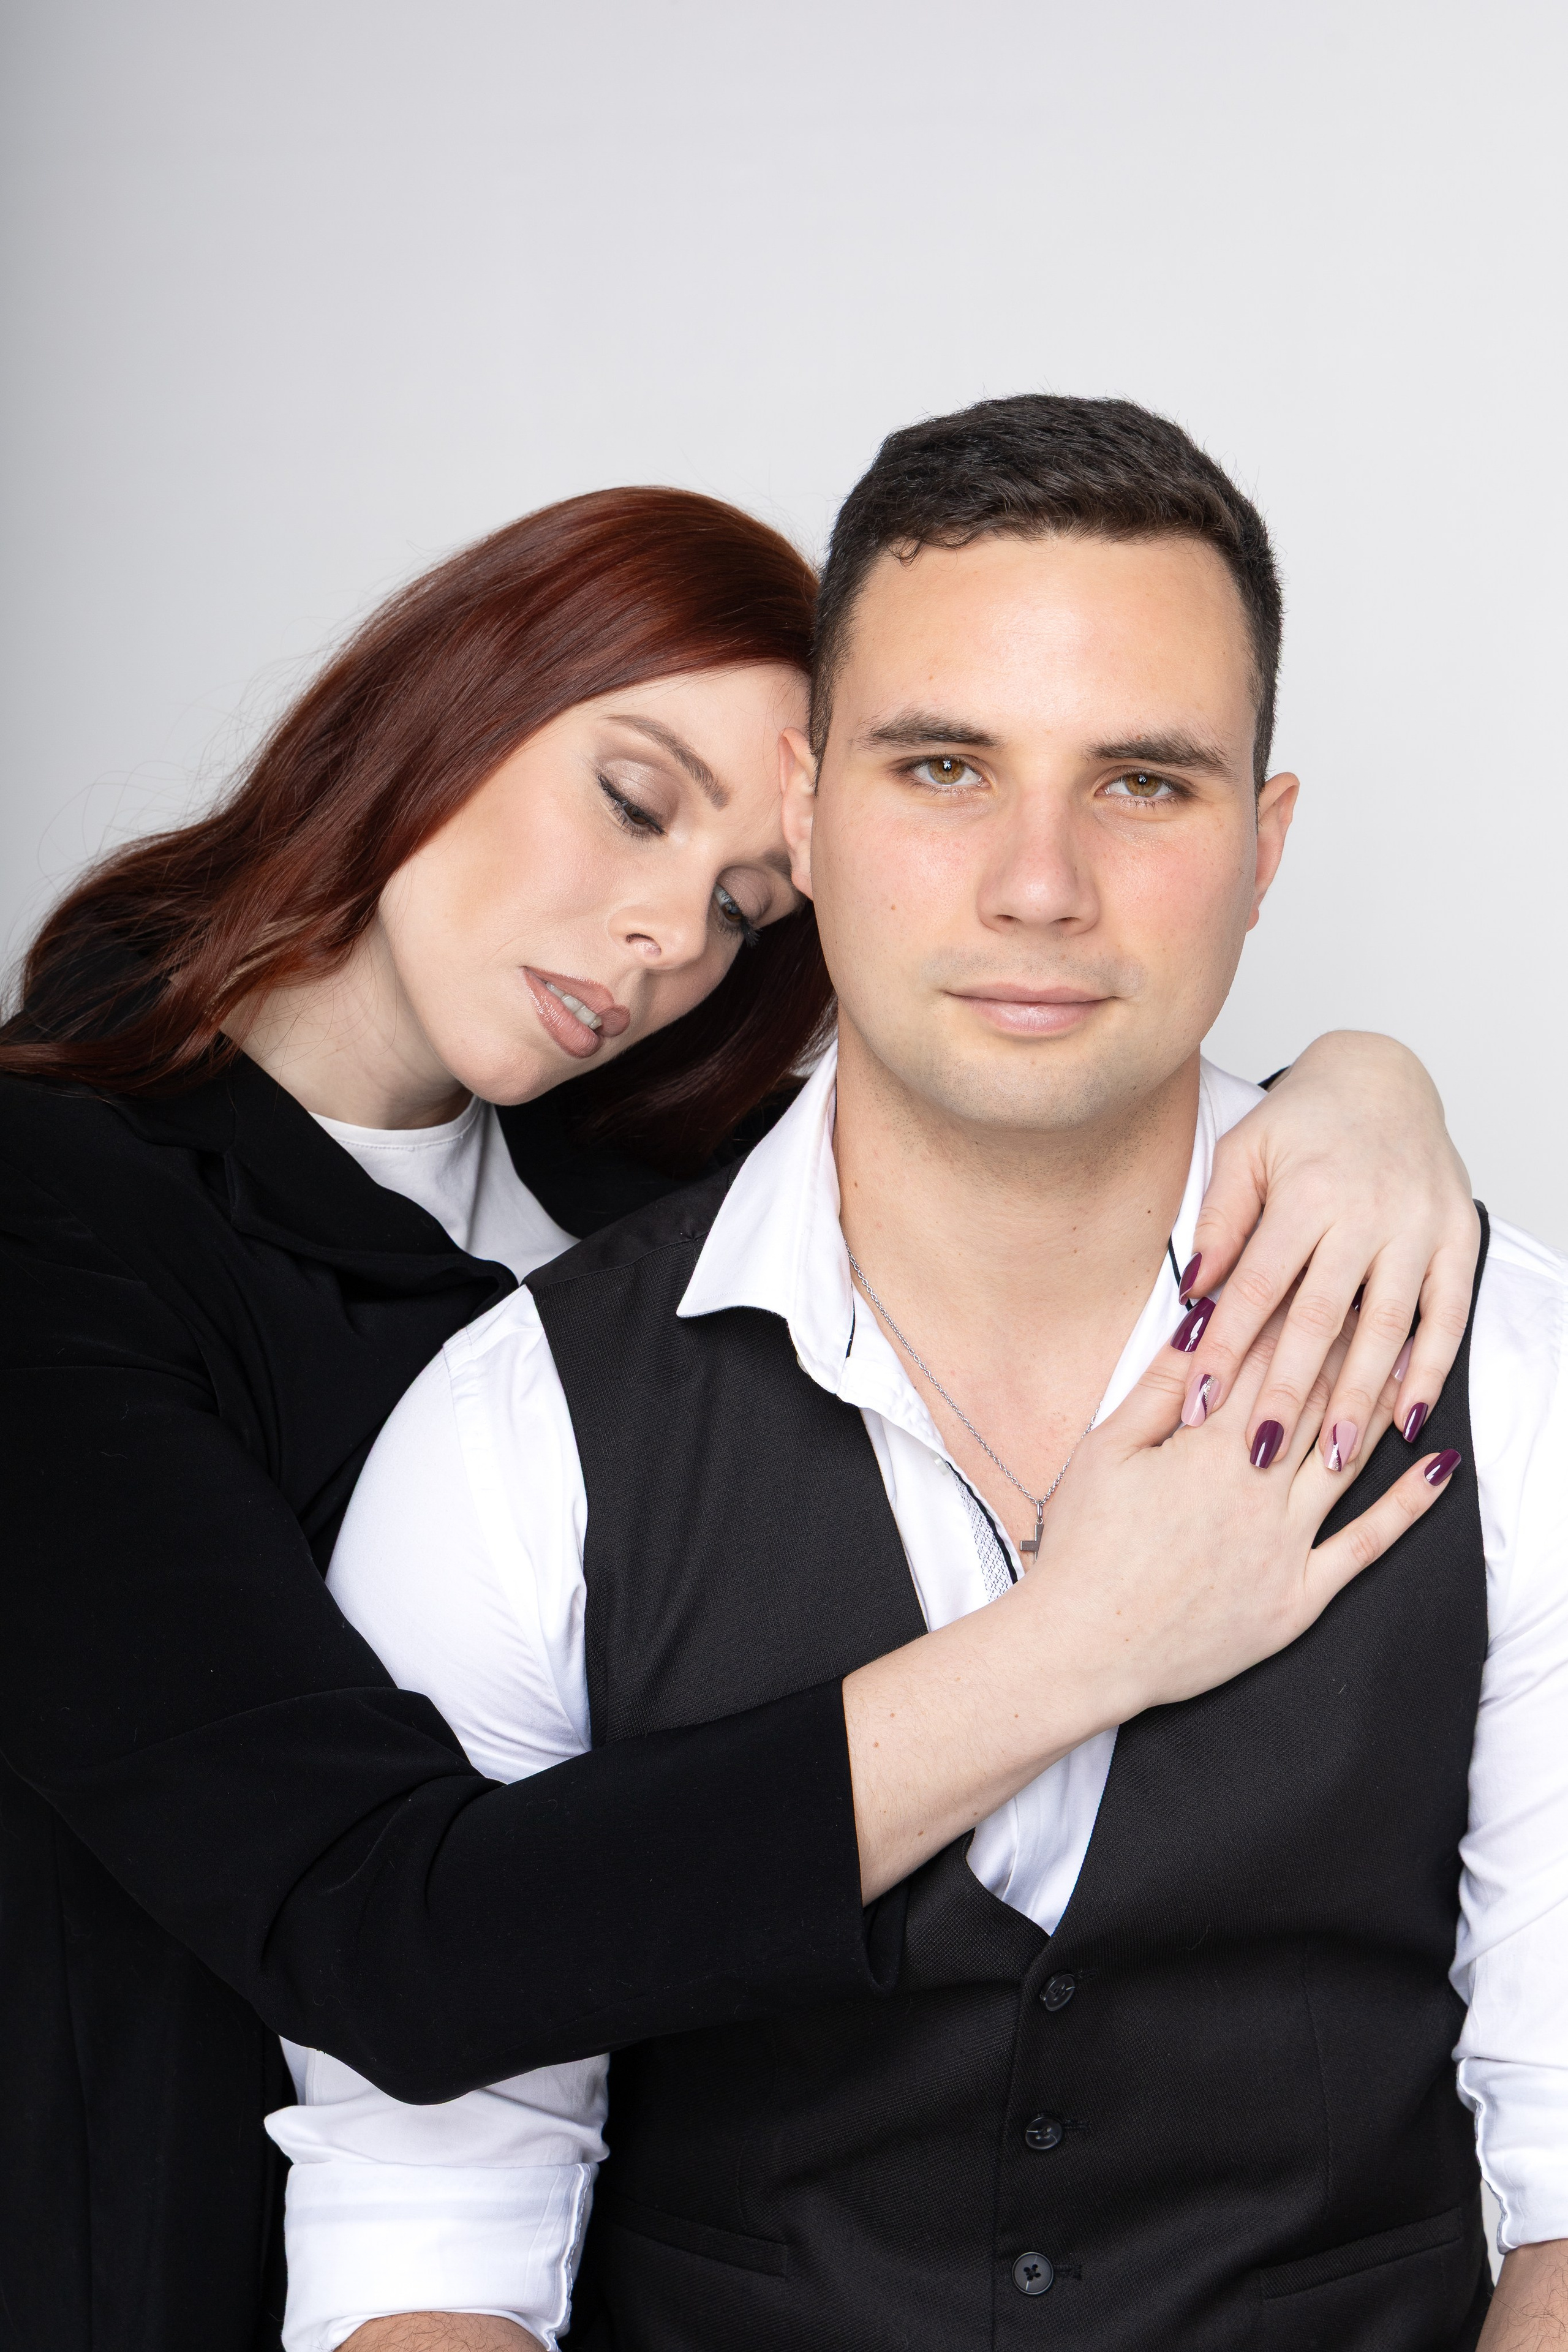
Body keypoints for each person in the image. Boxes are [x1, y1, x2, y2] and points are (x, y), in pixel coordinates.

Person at [0, 487, 1476, 2352]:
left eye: (737, 903)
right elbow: (391, 1934)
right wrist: (1083, 1641)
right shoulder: (58, 1224)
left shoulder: (628, 1212)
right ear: (437, 701)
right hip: (166, 2231)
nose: (658, 940)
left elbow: (1016, 1086)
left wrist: (1366, 1092)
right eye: (630, 802)